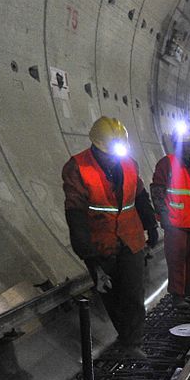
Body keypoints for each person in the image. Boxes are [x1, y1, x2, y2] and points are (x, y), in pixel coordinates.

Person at [62, 116, 158, 359]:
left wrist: (151, 226)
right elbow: (76, 215)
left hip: (131, 238)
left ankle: (132, 342)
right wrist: (88, 255)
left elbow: (140, 197)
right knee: (111, 296)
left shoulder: (129, 163)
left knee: (134, 292)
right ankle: (125, 335)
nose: (115, 157)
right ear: (96, 146)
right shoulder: (77, 168)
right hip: (100, 244)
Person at [150, 125, 190, 307]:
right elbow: (157, 190)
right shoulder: (167, 163)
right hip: (174, 222)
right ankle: (177, 295)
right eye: (187, 144)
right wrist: (163, 215)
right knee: (176, 259)